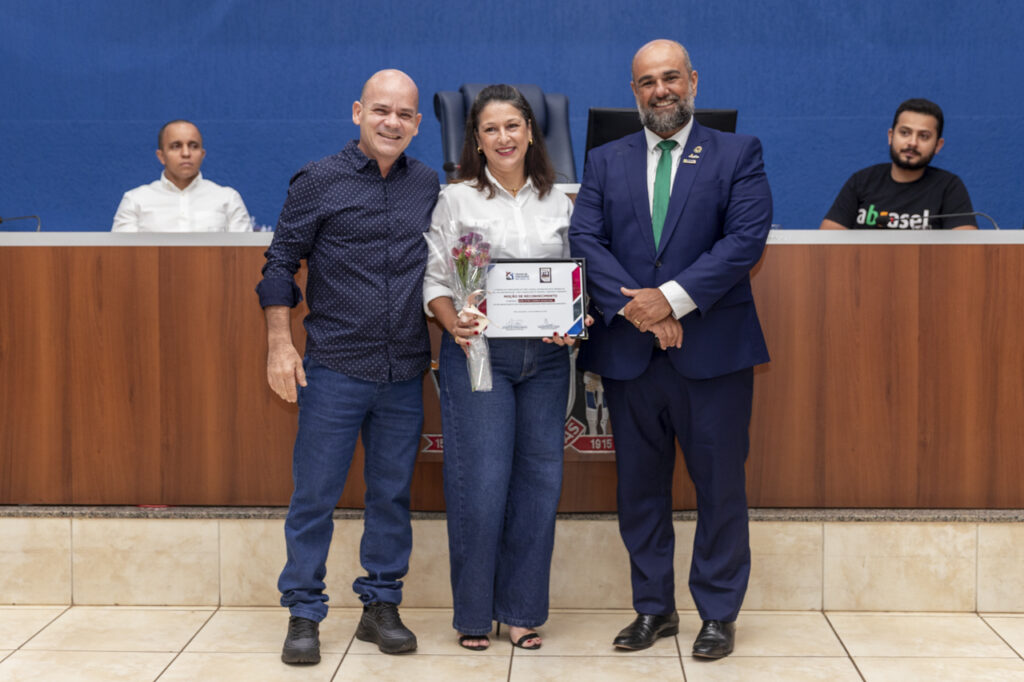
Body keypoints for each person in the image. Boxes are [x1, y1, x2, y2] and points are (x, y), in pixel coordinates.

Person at [569, 39, 772, 660]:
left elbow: (744, 240)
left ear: (693, 81)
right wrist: (644, 312)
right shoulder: (605, 160)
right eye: (647, 82)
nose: (661, 90)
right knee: (640, 490)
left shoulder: (737, 152)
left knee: (719, 488)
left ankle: (718, 613)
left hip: (713, 356)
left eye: (671, 78)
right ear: (633, 92)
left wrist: (672, 301)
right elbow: (585, 239)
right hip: (631, 357)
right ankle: (653, 609)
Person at [255, 69, 439, 664]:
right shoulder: (318, 180)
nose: (392, 122)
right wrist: (279, 344)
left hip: (404, 369)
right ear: (358, 112)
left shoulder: (428, 185)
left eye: (404, 114)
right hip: (333, 367)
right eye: (381, 110)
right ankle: (304, 612)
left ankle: (380, 605)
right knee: (315, 496)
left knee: (391, 496)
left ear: (418, 124)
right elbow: (280, 263)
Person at [423, 84, 577, 652]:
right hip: (479, 354)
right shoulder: (457, 199)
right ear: (476, 140)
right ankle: (472, 614)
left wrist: (573, 318)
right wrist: (453, 324)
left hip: (548, 357)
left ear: (531, 132)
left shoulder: (560, 201)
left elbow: (574, 279)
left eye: (513, 125)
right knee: (481, 483)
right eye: (490, 129)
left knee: (539, 484)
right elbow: (437, 281)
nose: (503, 137)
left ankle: (521, 612)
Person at [819, 98, 977, 230]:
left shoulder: (949, 187)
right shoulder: (862, 181)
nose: (912, 142)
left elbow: (967, 248)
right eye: (905, 133)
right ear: (891, 136)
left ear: (937, 145)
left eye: (924, 136)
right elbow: (827, 241)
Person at [112, 119, 252, 232]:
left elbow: (244, 254)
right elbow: (121, 254)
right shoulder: (135, 200)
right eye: (176, 146)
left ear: (202, 154)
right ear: (161, 156)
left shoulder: (228, 199)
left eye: (193, 146)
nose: (186, 153)